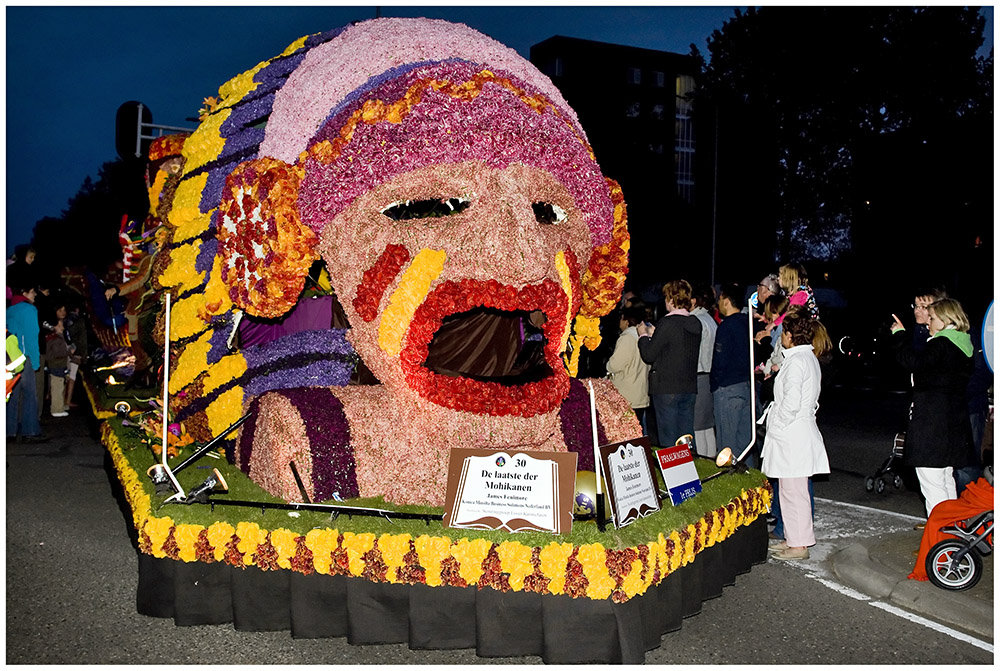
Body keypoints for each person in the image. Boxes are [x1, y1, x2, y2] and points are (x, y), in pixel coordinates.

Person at [890, 298, 975, 522]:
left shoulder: (942, 344)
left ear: (947, 320)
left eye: (933, 317)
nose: (928, 321)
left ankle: (940, 542)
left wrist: (899, 335)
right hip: (951, 423)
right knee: (946, 481)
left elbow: (913, 362)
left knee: (933, 486)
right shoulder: (963, 345)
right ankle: (954, 535)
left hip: (931, 425)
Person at [762, 306, 831, 560]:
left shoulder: (798, 362)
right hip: (795, 432)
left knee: (795, 492)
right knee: (791, 491)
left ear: (790, 335)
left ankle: (799, 545)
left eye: (783, 332)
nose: (781, 335)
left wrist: (777, 424)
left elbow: (790, 404)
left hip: (792, 433)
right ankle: (794, 539)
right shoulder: (804, 358)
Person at [638, 279, 702, 450]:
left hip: (667, 389)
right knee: (686, 438)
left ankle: (673, 475)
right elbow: (677, 343)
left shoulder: (667, 323)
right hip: (688, 387)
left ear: (672, 300)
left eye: (666, 297)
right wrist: (657, 334)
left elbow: (649, 355)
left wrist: (643, 336)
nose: (665, 301)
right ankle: (688, 474)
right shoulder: (695, 323)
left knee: (669, 441)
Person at [711, 283, 754, 466]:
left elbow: (720, 360)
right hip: (745, 386)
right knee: (744, 445)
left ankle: (730, 484)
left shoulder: (727, 326)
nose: (718, 303)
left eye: (720, 299)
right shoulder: (747, 323)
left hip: (727, 388)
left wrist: (715, 383)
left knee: (727, 446)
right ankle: (752, 487)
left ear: (726, 301)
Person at [6, 286, 45, 442]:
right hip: (24, 357)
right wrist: (35, 362)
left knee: (11, 394)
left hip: (8, 357)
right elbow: (31, 337)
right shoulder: (29, 310)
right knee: (30, 395)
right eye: (32, 291)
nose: (35, 294)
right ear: (24, 293)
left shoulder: (9, 310)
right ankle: (30, 430)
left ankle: (9, 431)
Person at [606, 305, 651, 434]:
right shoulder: (644, 336)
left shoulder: (627, 338)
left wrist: (607, 365)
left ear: (626, 321)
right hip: (641, 392)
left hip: (627, 394)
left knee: (626, 433)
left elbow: (615, 365)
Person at [691, 282, 718, 457]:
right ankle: (711, 459)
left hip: (699, 375)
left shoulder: (696, 321)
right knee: (707, 425)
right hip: (709, 375)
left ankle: (702, 463)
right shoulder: (710, 319)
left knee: (698, 426)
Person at [44, 314, 70, 418]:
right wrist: (68, 351)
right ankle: (56, 409)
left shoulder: (56, 338)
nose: (63, 328)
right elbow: (57, 353)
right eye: (60, 326)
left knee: (60, 386)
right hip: (56, 365)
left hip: (57, 365)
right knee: (57, 388)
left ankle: (60, 406)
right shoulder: (55, 339)